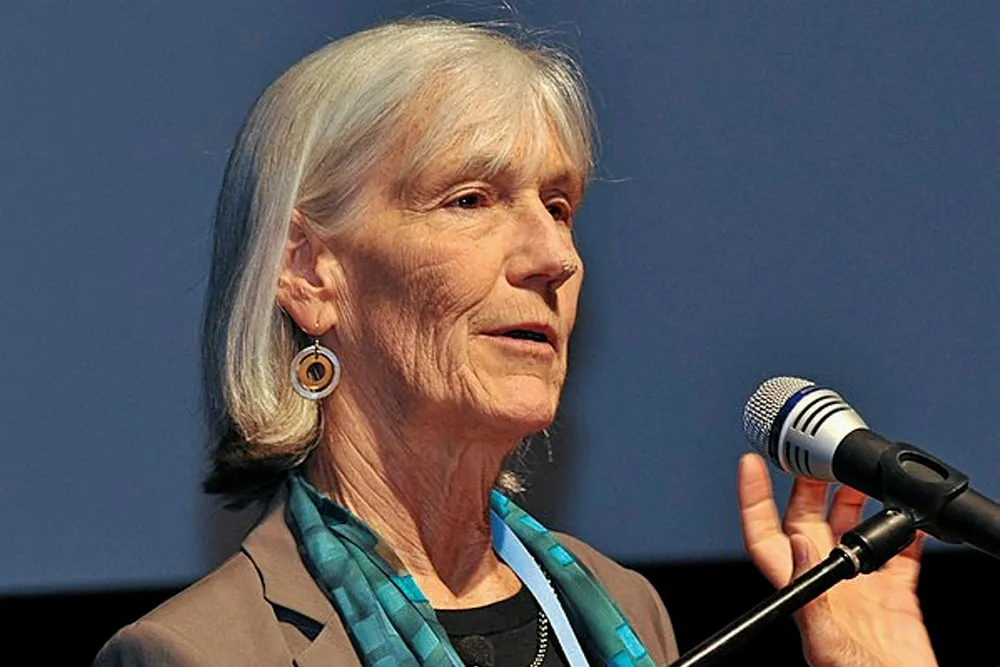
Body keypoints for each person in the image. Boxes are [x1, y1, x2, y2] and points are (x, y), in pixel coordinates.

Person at [95, 18, 938, 667]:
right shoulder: (199, 653)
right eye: (470, 199)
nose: (555, 256)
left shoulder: (624, 608)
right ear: (310, 272)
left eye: (559, 207)